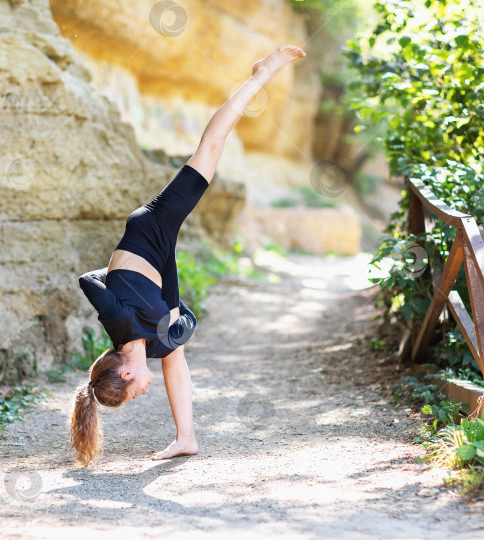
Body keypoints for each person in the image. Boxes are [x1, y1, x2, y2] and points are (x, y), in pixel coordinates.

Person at [69, 45, 307, 466]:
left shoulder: (119, 323)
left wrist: (117, 269)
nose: (143, 393)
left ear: (125, 372)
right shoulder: (157, 342)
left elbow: (89, 281)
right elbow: (167, 289)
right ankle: (187, 438)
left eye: (133, 392)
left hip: (149, 228)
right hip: (163, 251)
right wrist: (174, 308)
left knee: (211, 149)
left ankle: (261, 73)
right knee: (173, 347)